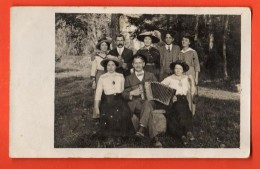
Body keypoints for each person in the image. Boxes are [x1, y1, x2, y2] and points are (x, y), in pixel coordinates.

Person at [122, 54, 162, 148]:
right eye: (135, 63)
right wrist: (131, 93)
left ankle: (141, 129)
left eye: (140, 63)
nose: (138, 65)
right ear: (132, 65)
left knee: (147, 104)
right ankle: (155, 138)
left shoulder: (151, 75)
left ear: (144, 64)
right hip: (136, 104)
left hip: (149, 101)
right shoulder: (128, 78)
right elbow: (124, 94)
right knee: (148, 110)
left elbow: (158, 89)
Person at [93, 55, 134, 146]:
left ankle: (120, 136)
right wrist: (96, 107)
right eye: (108, 65)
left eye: (112, 65)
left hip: (119, 99)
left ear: (116, 66)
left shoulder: (120, 76)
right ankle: (110, 136)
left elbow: (123, 90)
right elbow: (98, 93)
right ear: (106, 67)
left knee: (122, 113)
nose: (110, 67)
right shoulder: (102, 77)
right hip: (108, 100)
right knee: (108, 113)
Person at [161, 60, 196, 145]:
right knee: (182, 110)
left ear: (183, 70)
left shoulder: (186, 78)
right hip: (173, 100)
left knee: (186, 112)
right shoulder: (169, 79)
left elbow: (192, 92)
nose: (178, 70)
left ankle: (183, 134)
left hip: (184, 100)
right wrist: (170, 96)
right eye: (176, 68)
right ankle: (187, 132)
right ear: (173, 69)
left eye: (180, 68)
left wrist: (192, 81)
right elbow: (160, 89)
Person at [179, 33, 200, 115]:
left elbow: (196, 65)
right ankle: (185, 111)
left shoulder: (193, 52)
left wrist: (196, 78)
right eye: (183, 40)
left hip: (191, 73)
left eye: (186, 40)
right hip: (182, 73)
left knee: (192, 92)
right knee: (184, 91)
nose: (183, 42)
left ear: (189, 42)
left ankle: (192, 112)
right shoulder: (180, 52)